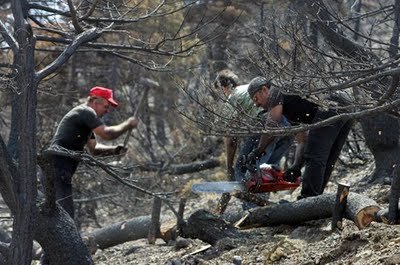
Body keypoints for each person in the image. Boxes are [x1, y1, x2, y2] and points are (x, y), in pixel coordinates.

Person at [247, 76, 353, 199]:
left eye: (256, 99)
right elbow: (302, 140)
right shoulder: (291, 103)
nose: (257, 104)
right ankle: (316, 200)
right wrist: (296, 165)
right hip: (346, 102)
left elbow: (271, 126)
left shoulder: (275, 92)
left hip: (331, 102)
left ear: (264, 89)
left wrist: (258, 151)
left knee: (314, 155)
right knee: (327, 157)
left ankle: (307, 199)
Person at [49, 86, 139, 219]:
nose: (107, 111)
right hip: (57, 166)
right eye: (106, 106)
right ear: (95, 102)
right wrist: (127, 124)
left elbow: (94, 149)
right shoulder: (86, 112)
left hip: (59, 168)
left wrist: (114, 150)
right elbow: (107, 134)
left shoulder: (85, 120)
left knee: (62, 214)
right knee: (65, 214)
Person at [214, 70, 293, 183]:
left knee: (242, 168)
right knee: (266, 171)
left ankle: (249, 200)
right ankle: (262, 198)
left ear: (224, 88)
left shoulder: (232, 98)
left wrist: (229, 167)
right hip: (288, 126)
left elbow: (231, 139)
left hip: (267, 126)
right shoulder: (249, 88)